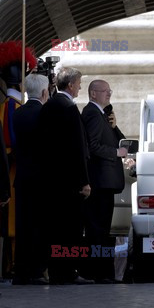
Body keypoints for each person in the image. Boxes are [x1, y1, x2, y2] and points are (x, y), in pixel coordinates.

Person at [37, 67, 93, 285]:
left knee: (56, 228)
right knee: (71, 229)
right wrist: (84, 181)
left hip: (51, 181)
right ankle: (67, 272)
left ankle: (57, 270)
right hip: (70, 184)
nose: (80, 87)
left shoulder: (49, 106)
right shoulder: (69, 107)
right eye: (79, 83)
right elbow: (78, 149)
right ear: (70, 85)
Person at [81, 80, 127, 283]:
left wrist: (114, 127)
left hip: (105, 182)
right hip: (99, 181)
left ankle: (102, 272)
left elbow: (117, 138)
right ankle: (97, 272)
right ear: (92, 93)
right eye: (105, 91)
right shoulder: (91, 112)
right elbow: (91, 146)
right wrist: (115, 152)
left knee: (102, 228)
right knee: (97, 230)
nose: (109, 94)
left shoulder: (101, 113)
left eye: (110, 90)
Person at [0, 41, 36, 280]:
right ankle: (12, 263)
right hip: (13, 169)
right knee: (13, 221)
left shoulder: (11, 105)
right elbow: (10, 139)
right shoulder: (12, 107)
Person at [11, 74, 49, 285]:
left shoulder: (18, 113)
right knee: (39, 227)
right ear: (44, 93)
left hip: (23, 177)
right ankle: (35, 270)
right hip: (41, 179)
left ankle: (21, 271)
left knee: (23, 226)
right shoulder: (46, 114)